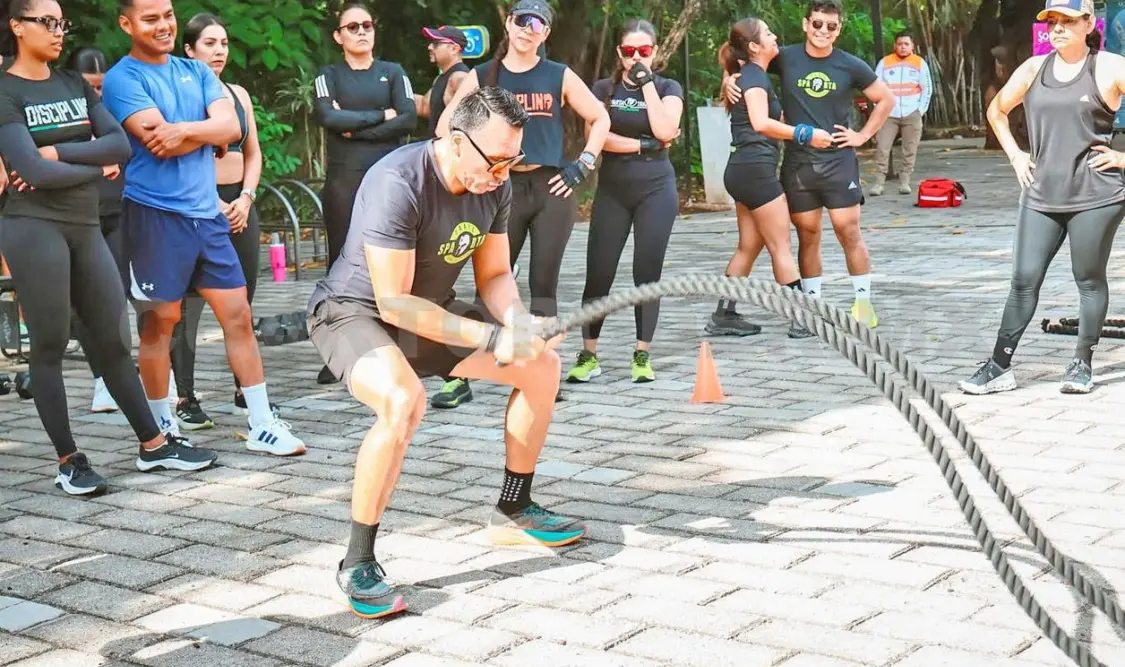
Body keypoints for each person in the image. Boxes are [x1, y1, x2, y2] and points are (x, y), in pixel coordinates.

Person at [307, 86, 585, 619]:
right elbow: (392, 302)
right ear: (457, 142)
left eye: (514, 159)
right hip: (354, 312)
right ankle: (357, 561)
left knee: (541, 366)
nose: (506, 172)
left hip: (429, 308)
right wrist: (489, 337)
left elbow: (497, 275)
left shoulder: (495, 183)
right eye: (497, 160)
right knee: (403, 401)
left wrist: (521, 324)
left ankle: (514, 508)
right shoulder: (399, 182)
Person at [0, 0, 215, 494]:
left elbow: (120, 144)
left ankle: (154, 445)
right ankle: (69, 460)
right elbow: (30, 172)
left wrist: (60, 153)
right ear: (17, 26)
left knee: (114, 342)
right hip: (33, 227)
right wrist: (94, 169)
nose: (58, 32)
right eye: (46, 22)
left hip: (84, 223)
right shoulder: (5, 91)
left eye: (61, 22)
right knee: (50, 344)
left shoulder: (74, 84)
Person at [102, 0, 305, 456]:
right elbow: (159, 141)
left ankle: (261, 422)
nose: (163, 25)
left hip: (207, 217)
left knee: (240, 317)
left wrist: (186, 130)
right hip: (155, 217)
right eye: (150, 18)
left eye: (168, 15)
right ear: (126, 23)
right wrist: (202, 131)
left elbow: (230, 125)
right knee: (160, 324)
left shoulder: (195, 71)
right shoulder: (123, 78)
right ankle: (160, 432)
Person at [434, 0, 610, 408]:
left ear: (546, 34)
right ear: (508, 25)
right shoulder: (484, 75)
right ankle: (460, 373)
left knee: (542, 281)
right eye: (521, 20)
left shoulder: (558, 74)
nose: (527, 29)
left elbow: (599, 117)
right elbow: (447, 127)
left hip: (551, 187)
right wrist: (467, 171)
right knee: (489, 281)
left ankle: (542, 366)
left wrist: (583, 164)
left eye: (538, 24)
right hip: (499, 187)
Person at [961, 0, 1125, 396]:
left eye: (1067, 21)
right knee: (1023, 280)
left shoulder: (1110, 67)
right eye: (1052, 21)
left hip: (1096, 194)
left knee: (1087, 280)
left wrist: (1122, 156)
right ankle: (999, 365)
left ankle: (1081, 363)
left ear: (1089, 23)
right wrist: (1016, 155)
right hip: (1041, 194)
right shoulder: (1034, 69)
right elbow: (997, 111)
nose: (1057, 28)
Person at [725, 0, 894, 328]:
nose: (823, 31)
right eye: (817, 24)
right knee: (808, 234)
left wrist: (862, 136)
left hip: (838, 162)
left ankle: (862, 303)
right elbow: (743, 53)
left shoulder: (850, 65)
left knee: (848, 231)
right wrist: (731, 78)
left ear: (839, 29)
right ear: (806, 24)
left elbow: (885, 99)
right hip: (799, 165)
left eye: (831, 26)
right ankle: (811, 305)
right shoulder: (785, 57)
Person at [564, 19, 683, 384]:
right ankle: (589, 354)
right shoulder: (603, 87)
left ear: (655, 52)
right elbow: (597, 138)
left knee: (646, 273)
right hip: (614, 189)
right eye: (629, 51)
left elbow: (666, 130)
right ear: (619, 53)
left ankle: (642, 354)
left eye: (643, 51)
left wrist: (646, 83)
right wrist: (642, 144)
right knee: (600, 271)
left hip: (656, 189)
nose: (635, 57)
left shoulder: (667, 86)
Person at [312, 2, 417, 385]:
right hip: (344, 180)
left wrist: (354, 128)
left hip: (391, 181)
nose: (361, 31)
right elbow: (328, 118)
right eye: (351, 26)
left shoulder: (393, 73)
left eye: (367, 25)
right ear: (339, 36)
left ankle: (403, 349)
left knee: (397, 264)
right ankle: (338, 352)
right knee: (342, 264)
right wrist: (380, 116)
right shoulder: (329, 75)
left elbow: (407, 118)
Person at [171, 12, 266, 430]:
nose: (219, 50)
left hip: (239, 206)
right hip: (195, 206)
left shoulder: (238, 94)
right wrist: (209, 202)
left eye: (224, 43)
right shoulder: (177, 95)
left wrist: (245, 197)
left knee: (242, 302)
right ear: (189, 49)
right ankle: (186, 397)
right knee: (186, 308)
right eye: (209, 43)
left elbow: (254, 153)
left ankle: (246, 388)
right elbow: (173, 157)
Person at [708, 18, 829, 342]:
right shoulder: (754, 78)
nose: (776, 36)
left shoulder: (751, 75)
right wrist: (805, 133)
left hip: (741, 169)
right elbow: (761, 122)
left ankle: (724, 313)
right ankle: (801, 318)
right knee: (781, 246)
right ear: (754, 46)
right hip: (756, 171)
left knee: (750, 245)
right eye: (769, 33)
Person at [870, 30, 933, 196]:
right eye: (900, 44)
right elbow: (876, 87)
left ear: (912, 46)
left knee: (909, 149)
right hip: (888, 114)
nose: (903, 47)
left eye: (906, 44)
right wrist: (879, 107)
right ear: (895, 45)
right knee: (882, 148)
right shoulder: (885, 63)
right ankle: (879, 183)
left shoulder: (920, 63)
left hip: (912, 112)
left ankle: (904, 181)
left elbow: (927, 89)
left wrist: (920, 110)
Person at [414, 25, 469, 138]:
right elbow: (424, 106)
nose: (430, 47)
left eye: (436, 43)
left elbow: (473, 120)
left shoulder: (459, 78)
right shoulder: (443, 77)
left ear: (454, 49)